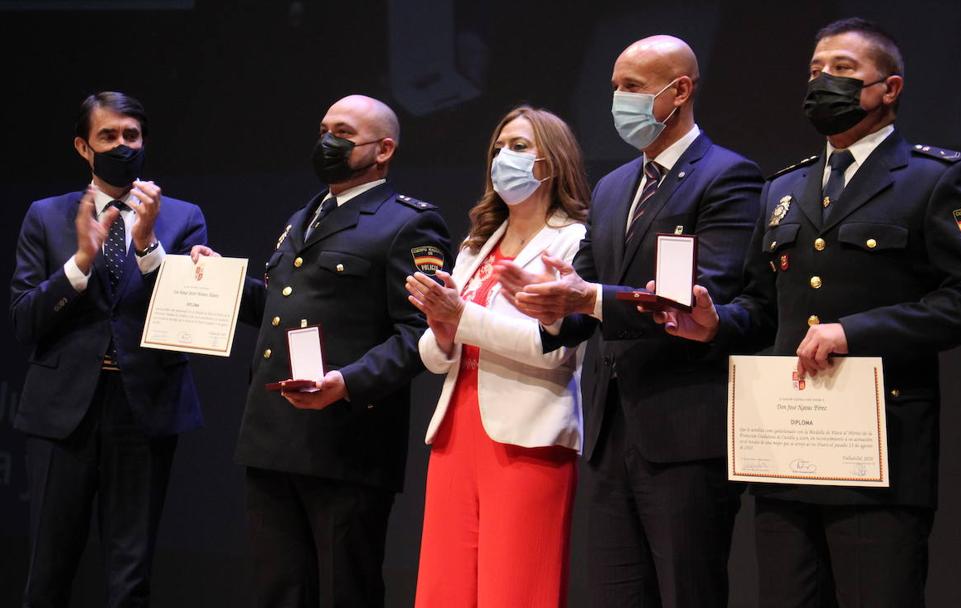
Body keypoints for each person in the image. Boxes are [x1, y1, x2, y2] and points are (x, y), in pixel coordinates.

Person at [651, 18, 961, 608]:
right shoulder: (783, 188)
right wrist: (715, 323)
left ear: (890, 88)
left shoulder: (935, 178)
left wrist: (854, 332)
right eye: (814, 70)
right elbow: (759, 304)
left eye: (843, 70)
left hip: (878, 458)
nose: (822, 81)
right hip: (787, 451)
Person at [498, 36, 763, 607]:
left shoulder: (728, 177)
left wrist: (584, 296)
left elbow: (700, 296)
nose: (619, 99)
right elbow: (583, 303)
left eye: (634, 88)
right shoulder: (615, 184)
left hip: (685, 432)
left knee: (689, 592)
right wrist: (545, 306)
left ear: (680, 90)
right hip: (611, 430)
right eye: (615, 86)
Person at [194, 94, 452, 607]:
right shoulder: (305, 215)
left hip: (345, 439)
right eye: (323, 129)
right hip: (274, 432)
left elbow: (417, 334)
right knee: (278, 590)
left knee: (343, 591)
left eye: (343, 133)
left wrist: (347, 382)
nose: (327, 142)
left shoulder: (408, 223)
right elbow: (279, 307)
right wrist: (219, 279)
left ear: (383, 150)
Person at [10, 91, 207, 607]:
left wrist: (146, 246)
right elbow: (25, 319)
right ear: (83, 146)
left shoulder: (182, 217)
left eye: (132, 136)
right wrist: (79, 262)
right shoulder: (46, 216)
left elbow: (191, 319)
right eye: (108, 136)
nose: (123, 146)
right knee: (49, 571)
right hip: (63, 411)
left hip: (142, 409)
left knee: (131, 574)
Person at [406, 106, 590, 607]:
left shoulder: (573, 242)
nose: (502, 157)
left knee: (515, 591)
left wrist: (459, 317)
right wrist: (441, 327)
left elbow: (552, 350)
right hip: (456, 434)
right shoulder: (475, 246)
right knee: (444, 592)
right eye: (498, 148)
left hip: (526, 439)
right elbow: (437, 356)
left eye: (519, 146)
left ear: (552, 162)